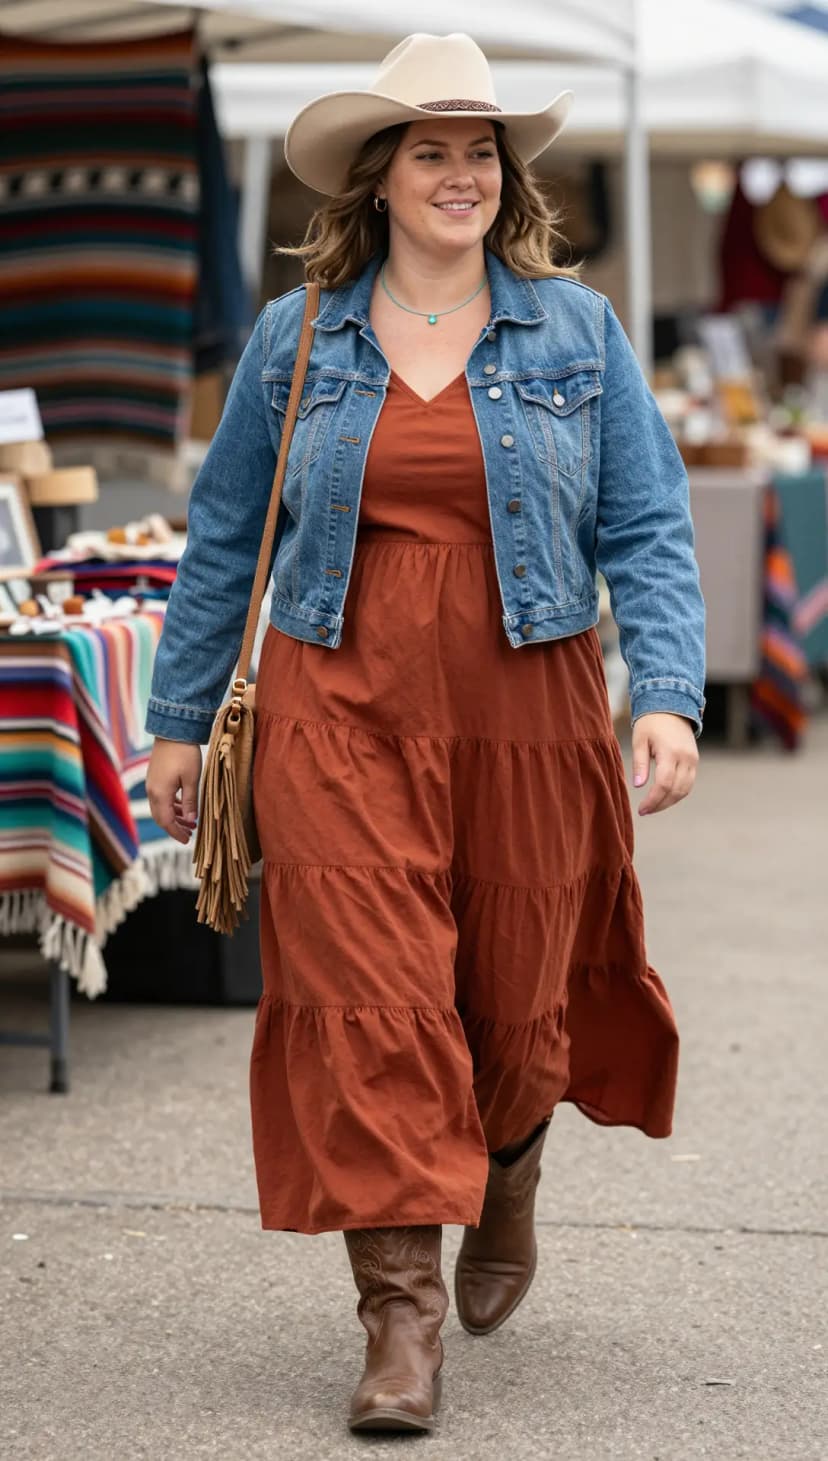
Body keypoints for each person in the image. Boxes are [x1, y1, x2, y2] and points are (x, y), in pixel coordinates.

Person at [145, 32, 705, 1436]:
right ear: (381, 176)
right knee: (368, 992)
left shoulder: (577, 331)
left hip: (526, 700)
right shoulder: (299, 332)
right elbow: (225, 537)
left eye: (478, 150)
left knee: (517, 1003)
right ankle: (399, 1317)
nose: (458, 173)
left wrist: (671, 693)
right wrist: (173, 719)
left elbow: (644, 524)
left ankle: (508, 1154)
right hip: (338, 699)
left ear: (501, 177)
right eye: (430, 149)